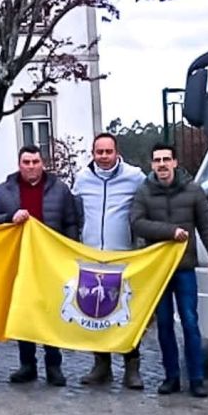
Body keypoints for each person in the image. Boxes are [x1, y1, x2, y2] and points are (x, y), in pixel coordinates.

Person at [130, 143, 208, 398]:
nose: (162, 164)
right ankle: (171, 377)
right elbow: (137, 223)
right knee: (164, 325)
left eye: (166, 159)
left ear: (175, 162)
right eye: (157, 160)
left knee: (190, 322)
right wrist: (170, 232)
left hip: (184, 268)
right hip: (158, 271)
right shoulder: (144, 192)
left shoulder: (193, 191)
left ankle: (196, 378)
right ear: (152, 165)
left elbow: (207, 227)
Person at [0, 144, 78, 387]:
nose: (31, 167)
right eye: (26, 162)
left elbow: (71, 222)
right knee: (24, 313)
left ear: (42, 163)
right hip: (19, 260)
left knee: (50, 313)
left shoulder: (60, 189)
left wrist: (70, 253)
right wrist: (9, 217)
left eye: (35, 162)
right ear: (19, 165)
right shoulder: (4, 190)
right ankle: (27, 365)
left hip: (51, 261)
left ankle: (54, 365)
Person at [72, 132, 146, 389]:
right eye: (99, 152)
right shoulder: (82, 178)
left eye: (108, 151)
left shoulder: (135, 177)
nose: (104, 157)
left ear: (117, 152)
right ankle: (101, 365)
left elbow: (148, 203)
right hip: (92, 257)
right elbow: (77, 212)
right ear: (93, 154)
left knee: (126, 313)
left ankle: (132, 367)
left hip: (123, 256)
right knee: (96, 312)